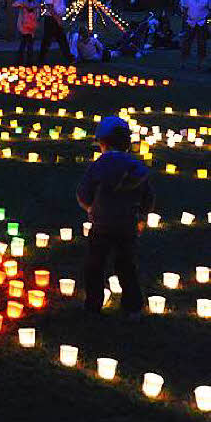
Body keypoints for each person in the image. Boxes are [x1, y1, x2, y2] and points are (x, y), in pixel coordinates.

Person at [76, 116, 154, 316]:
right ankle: (133, 307)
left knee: (95, 265)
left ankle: (93, 306)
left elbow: (83, 192)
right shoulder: (137, 168)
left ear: (102, 142)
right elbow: (148, 197)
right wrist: (142, 217)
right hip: (127, 227)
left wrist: (91, 208)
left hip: (101, 225)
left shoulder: (99, 165)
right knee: (126, 265)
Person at [38, 0, 73, 64]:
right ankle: (41, 59)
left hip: (56, 18)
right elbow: (50, 7)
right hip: (51, 19)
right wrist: (58, 19)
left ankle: (69, 57)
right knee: (48, 39)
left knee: (61, 39)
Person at [180, 0, 211, 69]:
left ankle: (200, 63)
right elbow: (184, 6)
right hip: (190, 22)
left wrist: (208, 23)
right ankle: (183, 62)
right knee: (186, 43)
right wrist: (185, 18)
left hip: (202, 23)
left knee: (201, 43)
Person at [12, 0, 41, 65]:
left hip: (32, 26)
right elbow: (14, 4)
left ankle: (29, 61)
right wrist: (23, 6)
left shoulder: (35, 3)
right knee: (23, 43)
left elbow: (37, 15)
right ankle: (20, 60)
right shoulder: (23, 1)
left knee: (30, 45)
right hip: (23, 26)